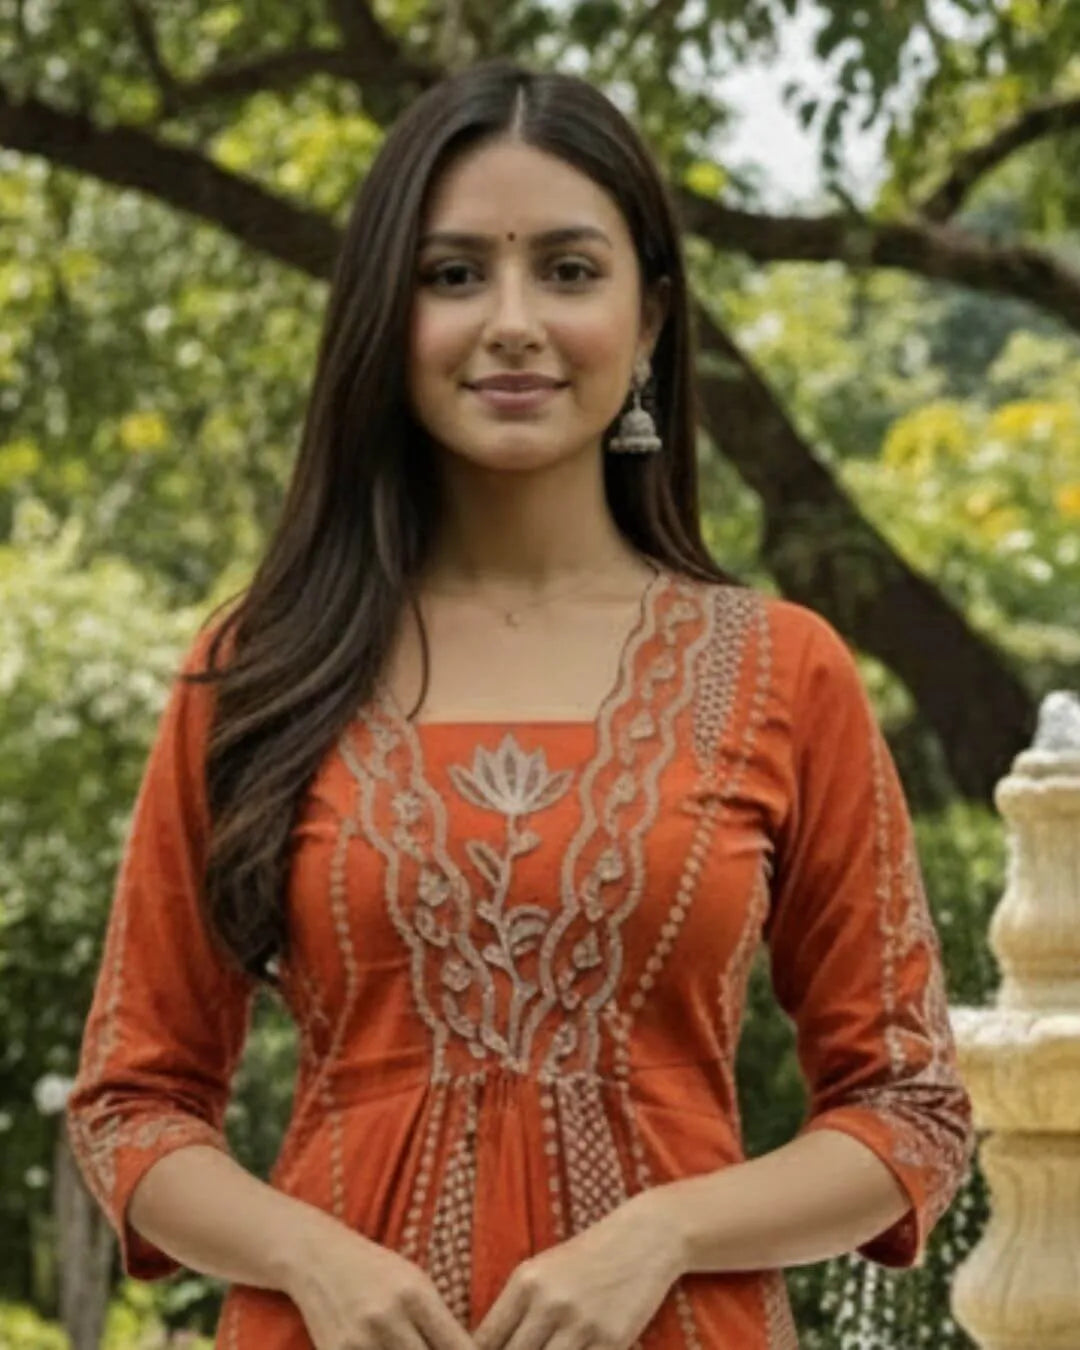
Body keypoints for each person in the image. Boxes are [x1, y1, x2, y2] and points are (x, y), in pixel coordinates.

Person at [65, 57, 976, 1350]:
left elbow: (910, 1109)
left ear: (649, 320)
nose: (511, 321)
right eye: (452, 274)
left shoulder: (784, 669)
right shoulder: (264, 664)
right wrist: (307, 1252)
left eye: (568, 270)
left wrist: (663, 1233)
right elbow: (131, 1105)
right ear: (387, 316)